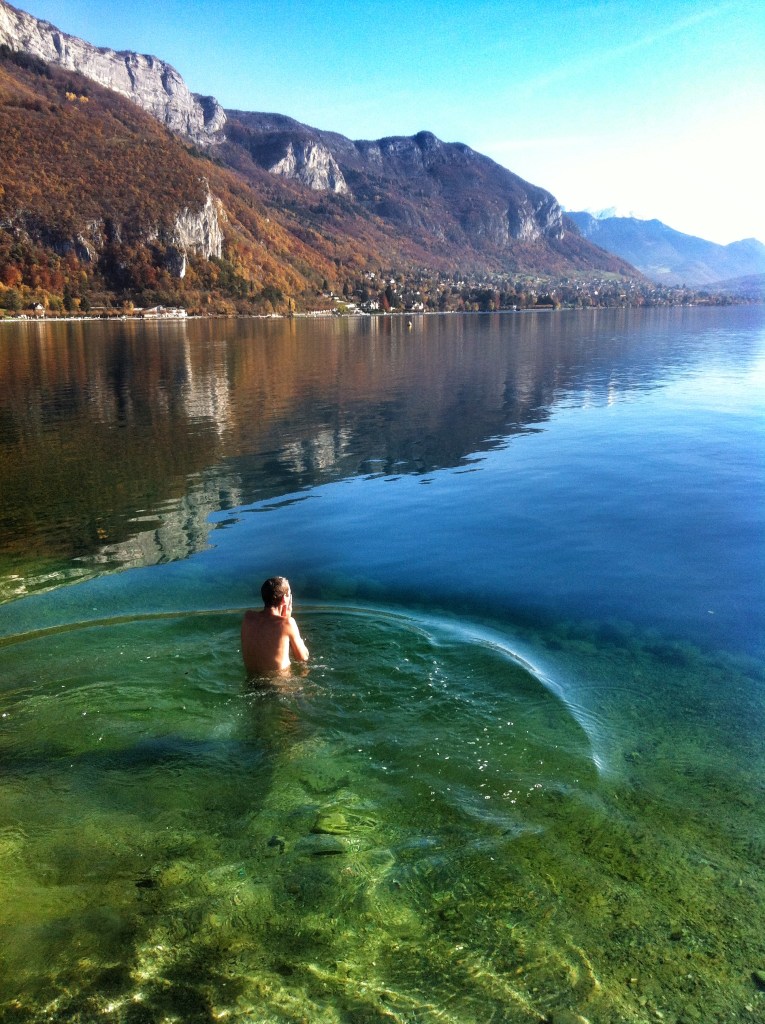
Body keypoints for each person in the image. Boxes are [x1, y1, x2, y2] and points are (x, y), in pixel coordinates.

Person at [241, 576, 309, 677]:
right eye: (289, 595)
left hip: (252, 683)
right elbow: (303, 658)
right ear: (283, 599)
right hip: (280, 686)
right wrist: (288, 618)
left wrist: (285, 618)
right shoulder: (287, 624)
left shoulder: (248, 618)